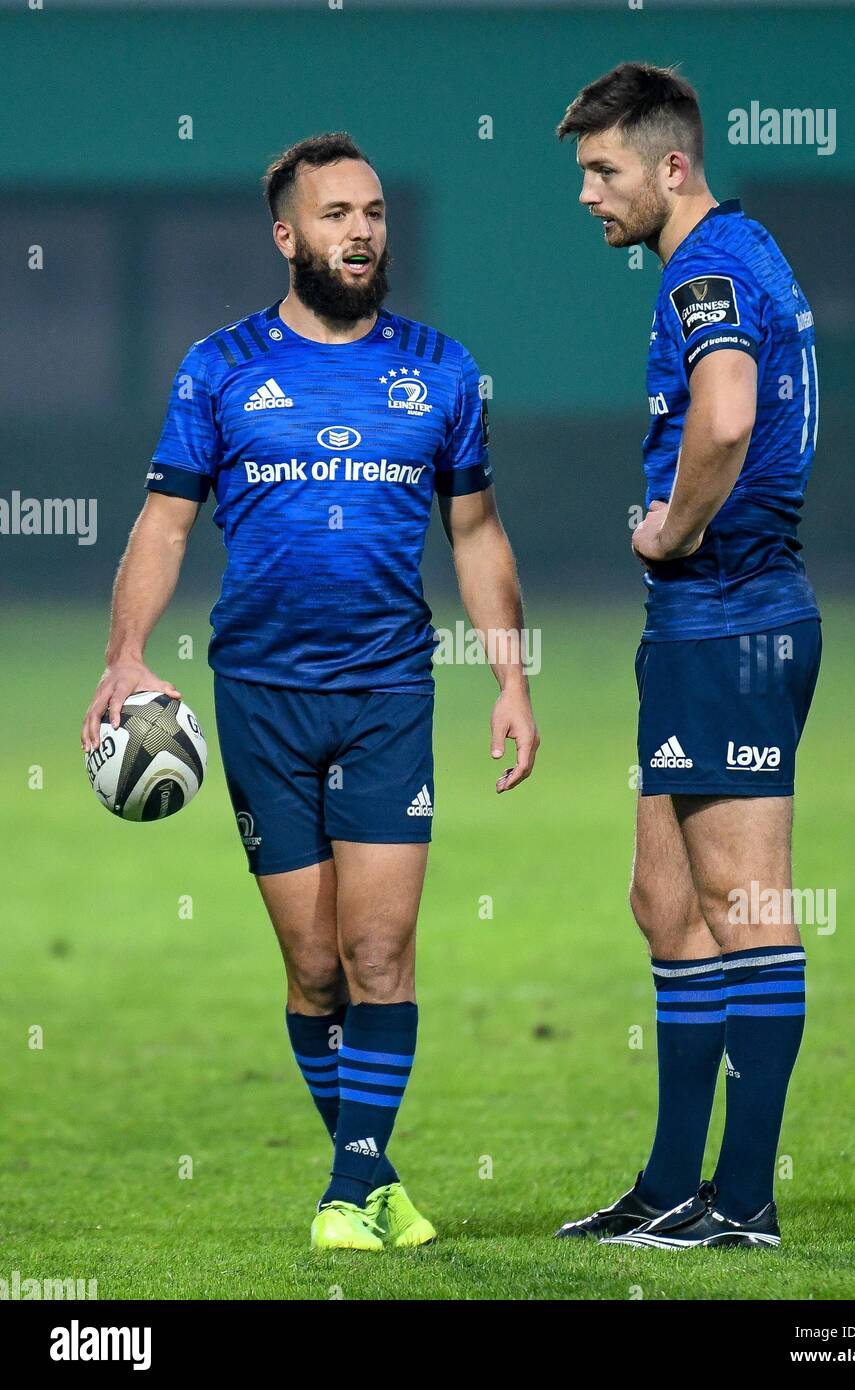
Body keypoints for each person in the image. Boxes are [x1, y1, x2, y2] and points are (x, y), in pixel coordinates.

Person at [81, 132, 539, 1254]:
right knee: (316, 966)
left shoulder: (441, 369)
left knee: (382, 954)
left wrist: (511, 677)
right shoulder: (220, 368)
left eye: (374, 211)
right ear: (287, 235)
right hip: (262, 699)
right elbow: (165, 522)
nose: (363, 231)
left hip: (388, 692)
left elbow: (474, 533)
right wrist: (125, 655)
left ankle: (349, 1189)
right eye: (336, 214)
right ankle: (373, 1176)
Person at [554, 64, 820, 1249]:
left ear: (672, 167)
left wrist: (671, 525)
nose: (587, 195)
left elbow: (725, 414)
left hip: (733, 617)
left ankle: (747, 1202)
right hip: (703, 623)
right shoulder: (739, 251)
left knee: (746, 904)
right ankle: (672, 1184)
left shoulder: (706, 268)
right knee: (666, 902)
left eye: (603, 171)